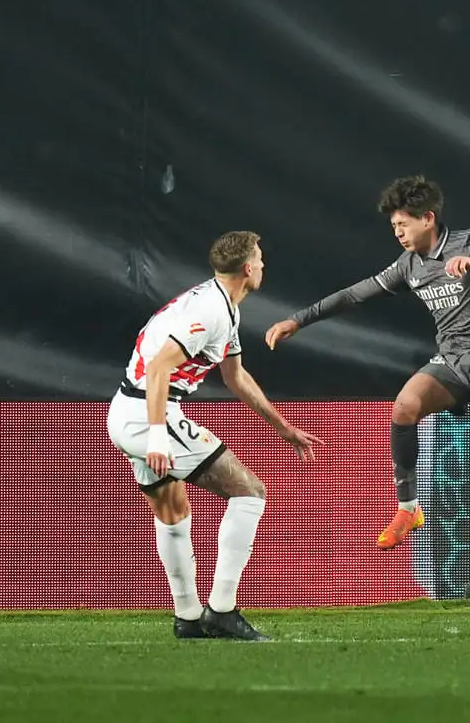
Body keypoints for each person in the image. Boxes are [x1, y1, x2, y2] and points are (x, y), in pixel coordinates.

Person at [264, 176, 470, 585]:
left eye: (403, 224)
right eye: (394, 227)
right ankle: (409, 507)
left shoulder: (469, 242)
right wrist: (299, 319)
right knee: (404, 408)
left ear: (428, 219)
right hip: (452, 361)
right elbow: (354, 294)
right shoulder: (408, 265)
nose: (397, 233)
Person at [107, 231, 323, 641]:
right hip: (148, 412)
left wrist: (284, 428)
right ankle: (222, 609)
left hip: (128, 409)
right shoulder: (211, 311)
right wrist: (156, 437)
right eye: (259, 260)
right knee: (249, 492)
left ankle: (187, 617)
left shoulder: (223, 305)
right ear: (247, 269)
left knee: (172, 509)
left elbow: (236, 376)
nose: (263, 266)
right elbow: (158, 369)